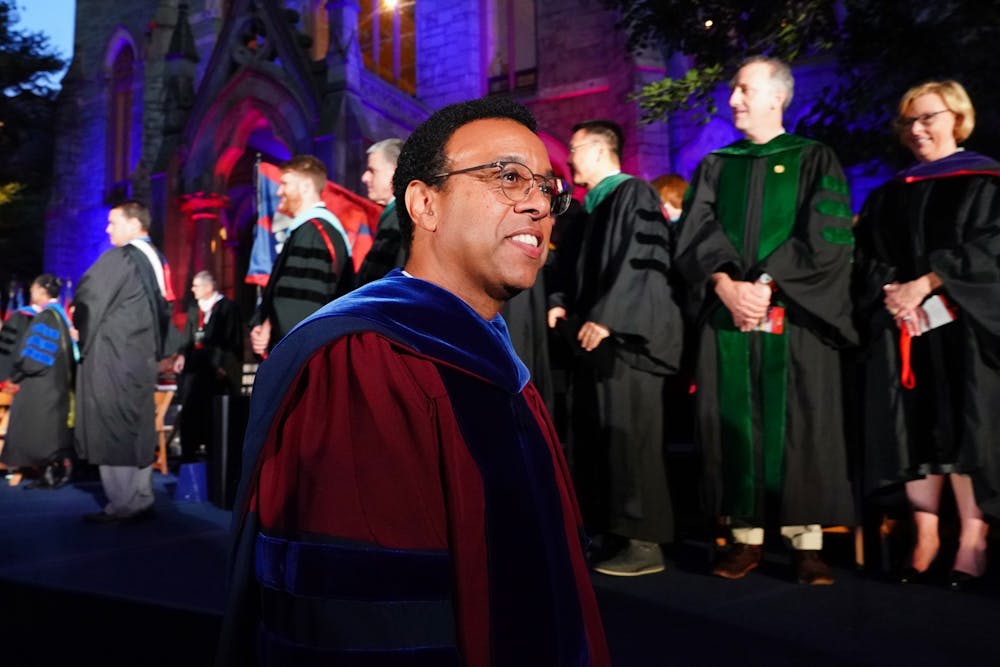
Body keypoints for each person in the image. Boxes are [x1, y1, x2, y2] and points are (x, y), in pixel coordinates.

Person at [216, 97, 610, 667]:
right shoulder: (363, 360)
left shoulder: (496, 359)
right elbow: (358, 617)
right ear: (425, 203)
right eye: (508, 177)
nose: (538, 204)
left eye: (548, 189)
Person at [673, 56, 857, 584]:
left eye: (743, 89)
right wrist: (725, 284)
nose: (732, 99)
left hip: (795, 318)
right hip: (728, 314)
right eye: (733, 89)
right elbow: (694, 234)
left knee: (801, 421)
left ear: (777, 97)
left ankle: (807, 542)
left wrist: (767, 284)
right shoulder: (715, 165)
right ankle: (744, 537)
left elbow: (828, 237)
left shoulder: (814, 158)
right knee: (733, 423)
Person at [853, 80, 1000, 590]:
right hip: (906, 328)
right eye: (908, 121)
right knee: (913, 430)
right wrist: (894, 295)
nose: (916, 130)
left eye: (928, 118)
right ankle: (926, 537)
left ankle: (973, 541)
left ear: (957, 118)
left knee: (965, 428)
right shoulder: (890, 193)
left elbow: (992, 251)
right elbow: (866, 256)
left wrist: (931, 283)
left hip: (967, 328)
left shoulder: (987, 182)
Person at [547, 119, 683, 576]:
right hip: (593, 342)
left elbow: (641, 264)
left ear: (599, 149)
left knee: (632, 442)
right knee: (599, 441)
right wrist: (559, 302)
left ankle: (645, 543)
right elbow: (569, 269)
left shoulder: (634, 194)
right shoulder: (589, 208)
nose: (568, 158)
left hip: (628, 341)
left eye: (573, 148)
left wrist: (608, 317)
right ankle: (610, 531)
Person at [73, 200, 174, 523]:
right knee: (137, 426)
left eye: (113, 222)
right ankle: (141, 497)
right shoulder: (157, 259)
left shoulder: (122, 257)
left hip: (114, 358)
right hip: (141, 357)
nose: (107, 229)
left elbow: (88, 299)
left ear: (134, 224)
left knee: (113, 425)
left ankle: (122, 503)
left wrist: (81, 332)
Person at [249, 155, 353, 356]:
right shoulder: (309, 230)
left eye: (285, 184)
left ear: (305, 186)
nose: (279, 191)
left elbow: (302, 303)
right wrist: (262, 322)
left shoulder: (314, 232)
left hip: (308, 354)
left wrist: (269, 326)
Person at [0, 274, 77, 488]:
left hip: (41, 386)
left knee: (39, 432)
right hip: (55, 384)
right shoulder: (59, 316)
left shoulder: (47, 318)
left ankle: (51, 473)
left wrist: (16, 374)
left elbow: (35, 357)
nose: (31, 292)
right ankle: (51, 471)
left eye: (34, 288)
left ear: (43, 290)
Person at [172, 270, 242, 462]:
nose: (192, 289)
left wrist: (222, 365)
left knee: (213, 413)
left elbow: (231, 340)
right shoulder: (194, 309)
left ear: (209, 287)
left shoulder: (227, 308)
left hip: (216, 370)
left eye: (196, 286)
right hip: (195, 367)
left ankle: (216, 455)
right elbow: (188, 337)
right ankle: (189, 456)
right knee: (190, 410)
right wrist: (181, 355)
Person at [354, 138, 406, 286]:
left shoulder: (403, 217)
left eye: (372, 171)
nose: (364, 178)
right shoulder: (393, 215)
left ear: (395, 172)